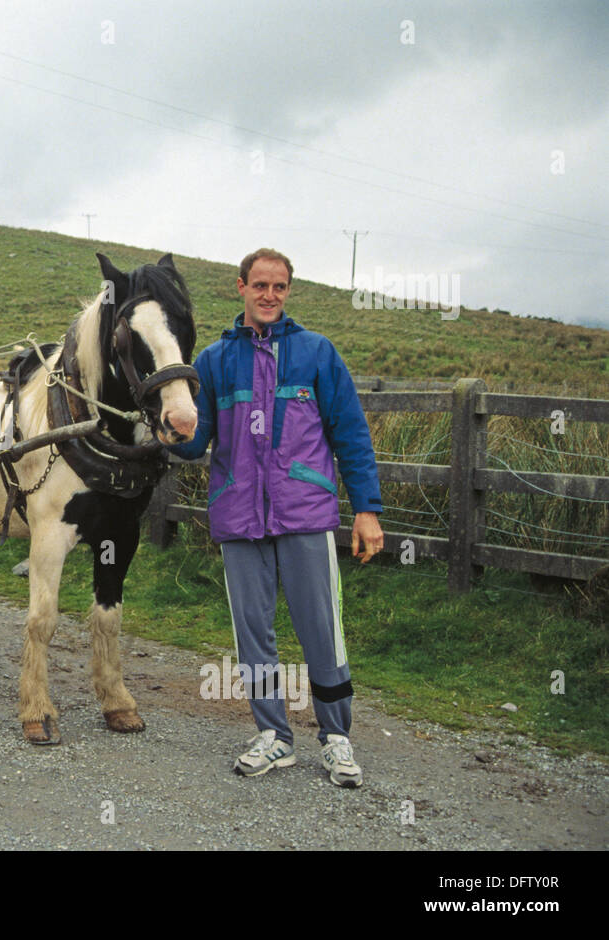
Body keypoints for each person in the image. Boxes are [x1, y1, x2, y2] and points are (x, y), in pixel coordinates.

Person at [168, 248, 384, 787]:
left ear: (288, 292)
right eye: (260, 285)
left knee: (322, 632)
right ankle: (274, 737)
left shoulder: (317, 353)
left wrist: (367, 511)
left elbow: (352, 436)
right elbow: (197, 443)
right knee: (253, 636)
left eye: (280, 287)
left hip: (305, 513)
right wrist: (171, 428)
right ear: (240, 287)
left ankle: (336, 739)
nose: (269, 295)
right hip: (239, 514)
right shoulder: (215, 361)